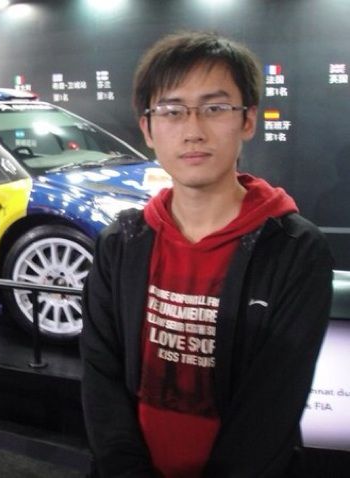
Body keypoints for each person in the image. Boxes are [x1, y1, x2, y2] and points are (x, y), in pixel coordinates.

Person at [80, 31, 333, 478]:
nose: (193, 130)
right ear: (148, 129)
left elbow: (271, 409)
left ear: (248, 120)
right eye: (172, 111)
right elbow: (102, 378)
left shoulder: (295, 251)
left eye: (215, 109)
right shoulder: (120, 243)